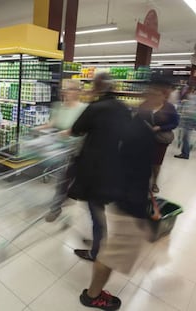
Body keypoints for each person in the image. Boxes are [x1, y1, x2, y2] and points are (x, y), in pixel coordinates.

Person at [79, 99, 155, 311]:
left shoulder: (133, 127)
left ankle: (93, 291)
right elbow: (130, 169)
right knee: (111, 253)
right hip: (126, 202)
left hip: (120, 197)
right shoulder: (137, 130)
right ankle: (93, 296)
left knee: (110, 249)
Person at [68, 72, 131, 262]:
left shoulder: (96, 107)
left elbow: (77, 129)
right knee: (99, 207)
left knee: (96, 209)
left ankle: (96, 250)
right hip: (115, 165)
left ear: (97, 87)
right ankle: (97, 239)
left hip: (94, 168)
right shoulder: (124, 108)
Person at [41, 80, 87, 222]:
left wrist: (71, 131)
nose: (67, 92)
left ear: (78, 92)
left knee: (68, 180)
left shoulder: (84, 109)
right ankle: (57, 206)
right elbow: (52, 123)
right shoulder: (59, 107)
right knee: (62, 179)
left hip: (78, 151)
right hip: (62, 150)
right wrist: (39, 128)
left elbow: (87, 129)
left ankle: (61, 204)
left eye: (71, 89)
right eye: (65, 89)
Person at [138, 80, 179, 193]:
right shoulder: (144, 105)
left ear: (163, 94)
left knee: (156, 163)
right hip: (144, 138)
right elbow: (138, 119)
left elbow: (175, 123)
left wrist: (160, 128)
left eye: (157, 93)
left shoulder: (169, 108)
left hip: (160, 140)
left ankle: (155, 182)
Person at [174, 89, 196, 159]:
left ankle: (185, 153)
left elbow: (186, 110)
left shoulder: (193, 99)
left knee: (186, 137)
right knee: (187, 136)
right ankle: (186, 150)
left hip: (188, 119)